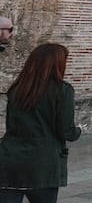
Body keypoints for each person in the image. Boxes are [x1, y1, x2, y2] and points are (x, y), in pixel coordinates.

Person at [0, 43, 81, 202]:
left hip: (9, 161)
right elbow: (66, 131)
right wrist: (78, 131)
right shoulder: (62, 90)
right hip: (42, 165)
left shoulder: (17, 89)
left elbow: (12, 126)